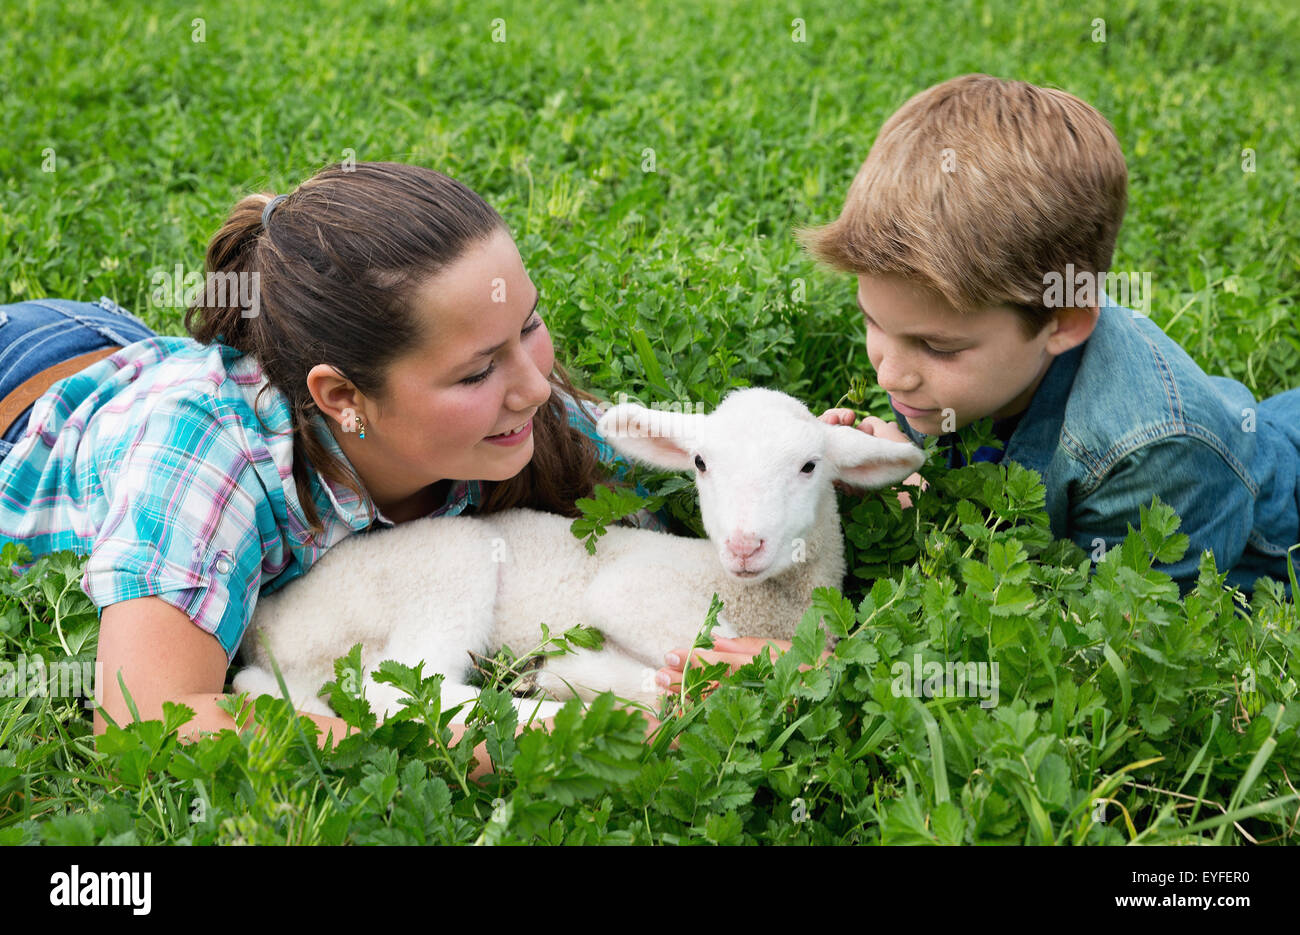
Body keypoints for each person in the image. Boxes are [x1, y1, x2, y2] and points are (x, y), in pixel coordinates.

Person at [0, 162, 668, 774]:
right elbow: (145, 725)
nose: (535, 388)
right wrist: (521, 744)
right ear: (343, 398)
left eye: (529, 324)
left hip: (119, 352)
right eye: (478, 370)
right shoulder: (204, 452)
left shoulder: (521, 412)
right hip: (23, 386)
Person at [658, 73, 1300, 689]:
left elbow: (1111, 656)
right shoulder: (970, 363)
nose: (889, 369)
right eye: (872, 321)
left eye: (936, 347)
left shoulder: (1155, 452)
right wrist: (912, 474)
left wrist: (838, 675)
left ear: (1062, 321)